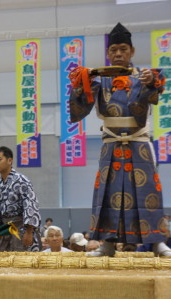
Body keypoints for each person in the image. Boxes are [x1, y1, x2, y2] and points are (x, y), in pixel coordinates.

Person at [69, 23, 170, 257]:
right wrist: (83, 79)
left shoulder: (145, 75)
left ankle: (157, 243)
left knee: (147, 194)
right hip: (111, 143)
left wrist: (150, 82)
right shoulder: (99, 78)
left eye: (123, 49)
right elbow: (79, 109)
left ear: (132, 52)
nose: (118, 53)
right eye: (113, 49)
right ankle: (108, 244)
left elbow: (155, 92)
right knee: (108, 193)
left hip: (139, 143)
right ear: (108, 53)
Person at [0, 146, 41, 252]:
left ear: (9, 160)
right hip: (4, 230)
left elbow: (31, 205)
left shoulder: (21, 180)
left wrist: (29, 231)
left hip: (22, 228)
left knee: (24, 264)